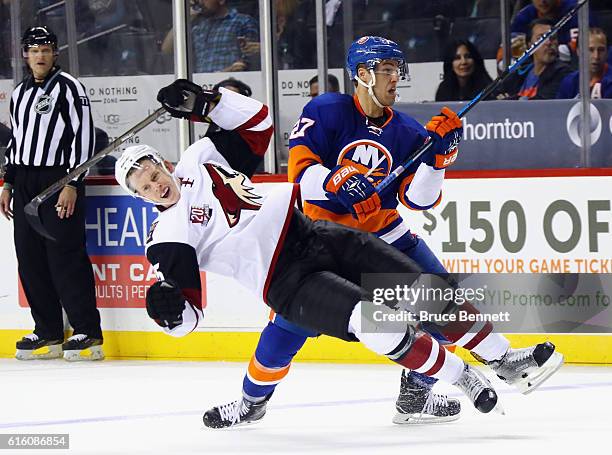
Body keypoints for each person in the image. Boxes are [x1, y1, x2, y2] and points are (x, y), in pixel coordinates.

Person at [121, 78, 564, 428]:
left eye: (153, 171)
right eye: (142, 186)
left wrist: (206, 103)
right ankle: (458, 376)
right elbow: (189, 316)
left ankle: (503, 360)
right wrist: (170, 314)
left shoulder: (200, 157)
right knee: (366, 324)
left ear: (163, 162)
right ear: (140, 197)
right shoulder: (167, 237)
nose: (155, 184)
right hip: (288, 281)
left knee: (427, 292)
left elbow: (257, 122)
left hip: (315, 234)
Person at [206, 36, 467, 428]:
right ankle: (250, 401)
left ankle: (416, 396)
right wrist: (336, 182)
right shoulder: (326, 110)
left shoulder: (410, 131)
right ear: (362, 75)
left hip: (383, 234)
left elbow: (419, 201)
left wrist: (438, 161)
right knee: (288, 330)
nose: (396, 78)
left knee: (445, 303)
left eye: (398, 69)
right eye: (387, 70)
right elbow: (300, 172)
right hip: (321, 239)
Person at [0, 26, 104, 361]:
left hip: (59, 179)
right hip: (26, 181)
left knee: (66, 258)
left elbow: (84, 137)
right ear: (25, 54)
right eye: (34, 50)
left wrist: (73, 183)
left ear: (55, 53)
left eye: (46, 49)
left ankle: (86, 329)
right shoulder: (19, 93)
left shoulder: (70, 87)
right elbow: (17, 141)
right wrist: (8, 182)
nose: (40, 55)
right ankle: (47, 329)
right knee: (29, 260)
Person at [161, 0, 259, 73]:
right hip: (202, 86)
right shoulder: (198, 27)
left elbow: (249, 59)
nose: (200, 2)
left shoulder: (243, 22)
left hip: (230, 84)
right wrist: (184, 18)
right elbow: (167, 50)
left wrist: (220, 74)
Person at [494, 19, 572, 99]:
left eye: (553, 38)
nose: (548, 43)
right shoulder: (521, 71)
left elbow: (542, 103)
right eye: (541, 38)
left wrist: (508, 100)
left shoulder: (563, 73)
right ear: (529, 45)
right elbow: (495, 95)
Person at [557, 28, 612, 99]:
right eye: (590, 50)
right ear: (578, 51)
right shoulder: (569, 82)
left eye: (601, 50)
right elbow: (559, 108)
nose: (596, 56)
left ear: (607, 52)